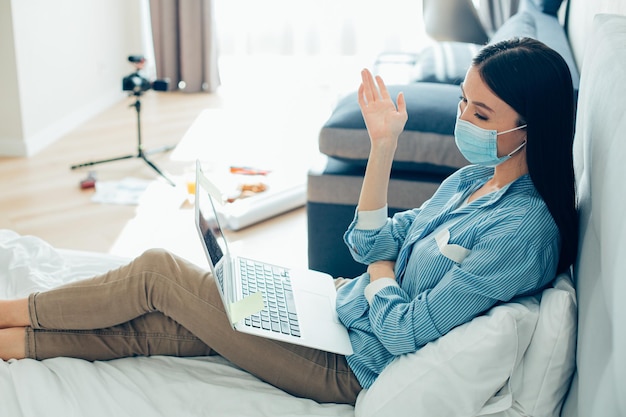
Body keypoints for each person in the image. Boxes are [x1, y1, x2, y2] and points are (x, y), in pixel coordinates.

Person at [0, 37, 577, 405]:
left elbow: (405, 331)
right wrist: (383, 148)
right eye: (462, 104)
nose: (463, 121)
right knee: (167, 327)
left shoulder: (523, 233)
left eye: (481, 113)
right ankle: (15, 343)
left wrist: (378, 271)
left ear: (533, 128)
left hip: (348, 364)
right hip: (334, 309)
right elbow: (367, 241)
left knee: (157, 273)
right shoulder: (472, 182)